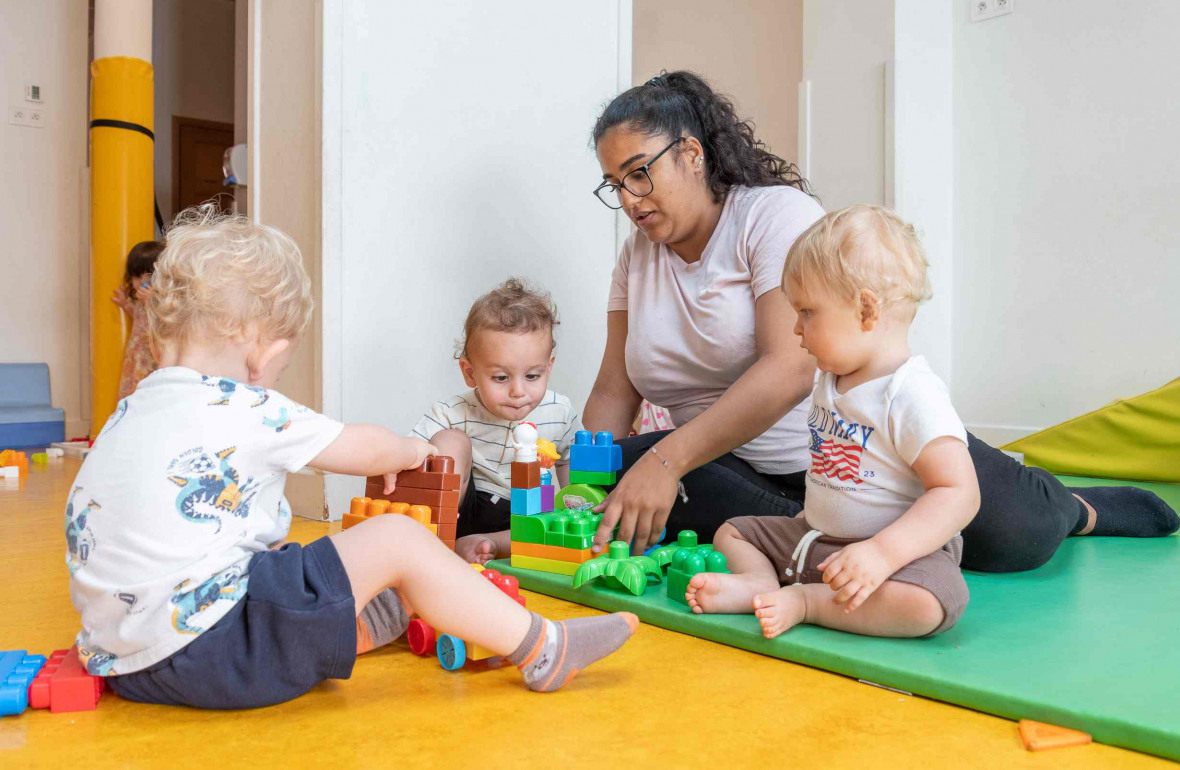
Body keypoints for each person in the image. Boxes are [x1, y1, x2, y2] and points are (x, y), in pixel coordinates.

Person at [583, 70, 1177, 571]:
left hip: (855, 449)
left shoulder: (771, 217)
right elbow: (615, 386)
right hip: (720, 466)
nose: (631, 200)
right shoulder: (636, 257)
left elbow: (791, 366)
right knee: (618, 470)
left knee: (1017, 538)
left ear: (691, 153)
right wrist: (582, 482)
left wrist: (667, 461)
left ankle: (1073, 507)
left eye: (640, 173)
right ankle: (826, 531)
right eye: (616, 185)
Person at [66, 209, 636, 709]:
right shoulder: (241, 403)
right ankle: (543, 649)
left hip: (127, 661)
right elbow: (361, 447)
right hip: (218, 655)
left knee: (291, 556)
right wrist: (412, 449)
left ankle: (364, 624)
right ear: (266, 351)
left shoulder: (126, 414)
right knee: (395, 537)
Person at [687, 206, 976, 639]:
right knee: (734, 533)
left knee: (931, 603)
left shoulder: (910, 392)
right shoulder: (830, 376)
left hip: (895, 558)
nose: (797, 330)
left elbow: (959, 493)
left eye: (806, 312)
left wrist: (881, 554)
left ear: (865, 310)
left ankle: (808, 601)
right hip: (814, 537)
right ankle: (761, 586)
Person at [410, 278, 584, 565]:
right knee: (449, 440)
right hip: (463, 510)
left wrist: (575, 514)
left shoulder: (560, 410)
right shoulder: (451, 412)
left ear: (548, 368)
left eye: (532, 376)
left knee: (551, 519)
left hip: (524, 517)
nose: (518, 391)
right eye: (501, 378)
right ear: (470, 373)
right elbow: (410, 456)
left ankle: (486, 545)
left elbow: (568, 465)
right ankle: (439, 541)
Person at [112, 240, 164, 400]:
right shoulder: (138, 300)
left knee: (149, 393)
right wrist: (125, 304)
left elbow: (166, 319)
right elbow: (137, 315)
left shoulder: (163, 299)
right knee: (131, 392)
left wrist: (153, 300)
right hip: (136, 354)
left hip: (152, 356)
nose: (142, 282)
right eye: (136, 277)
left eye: (148, 276)